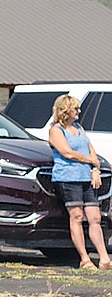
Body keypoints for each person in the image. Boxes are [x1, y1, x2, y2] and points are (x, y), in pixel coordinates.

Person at [47, 94, 111, 270]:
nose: (79, 111)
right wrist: (90, 161)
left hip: (85, 177)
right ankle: (84, 259)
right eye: (75, 108)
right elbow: (67, 153)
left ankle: (104, 258)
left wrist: (95, 169)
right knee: (76, 216)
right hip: (68, 178)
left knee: (95, 217)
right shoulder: (56, 130)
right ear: (65, 110)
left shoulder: (79, 128)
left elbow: (91, 150)